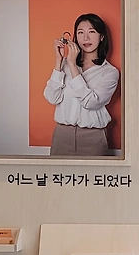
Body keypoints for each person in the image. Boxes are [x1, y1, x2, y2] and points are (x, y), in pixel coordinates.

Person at [43, 13, 120, 157]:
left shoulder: (110, 72)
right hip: (62, 135)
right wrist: (59, 61)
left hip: (92, 138)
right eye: (80, 32)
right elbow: (52, 97)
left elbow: (90, 102)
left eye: (92, 32)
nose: (86, 38)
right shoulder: (65, 65)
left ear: (102, 37)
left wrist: (72, 65)